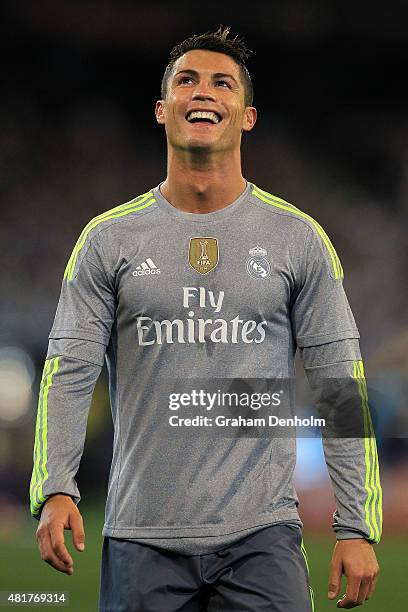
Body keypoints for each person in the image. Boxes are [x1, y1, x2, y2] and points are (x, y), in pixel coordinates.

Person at [30, 26, 382, 611]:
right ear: (162, 109)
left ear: (246, 115)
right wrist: (55, 486)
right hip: (141, 536)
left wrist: (355, 523)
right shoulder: (106, 240)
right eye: (187, 79)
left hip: (262, 538)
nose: (204, 91)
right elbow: (68, 372)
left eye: (223, 83)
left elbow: (340, 383)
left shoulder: (298, 239)